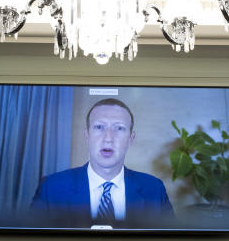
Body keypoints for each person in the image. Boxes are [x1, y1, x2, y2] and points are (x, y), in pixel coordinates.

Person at [30, 98, 175, 229]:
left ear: (131, 138)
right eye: (99, 127)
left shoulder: (154, 190)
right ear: (87, 135)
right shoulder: (51, 188)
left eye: (119, 128)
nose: (108, 138)